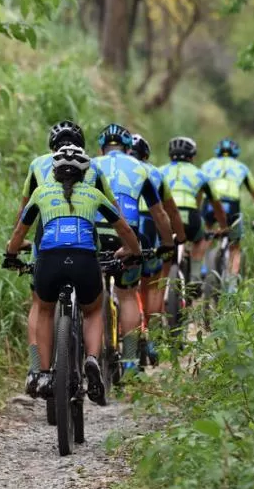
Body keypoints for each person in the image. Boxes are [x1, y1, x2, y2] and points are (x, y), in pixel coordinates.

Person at [4, 145, 141, 404]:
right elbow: (124, 228)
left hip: (48, 262)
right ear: (84, 173)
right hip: (85, 262)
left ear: (54, 172)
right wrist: (133, 252)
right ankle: (91, 359)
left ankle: (43, 374)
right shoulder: (94, 194)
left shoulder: (40, 193)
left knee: (44, 309)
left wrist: (11, 255)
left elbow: (19, 233)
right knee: (91, 311)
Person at [16, 121, 117, 397]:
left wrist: (17, 246)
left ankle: (37, 370)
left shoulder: (38, 164)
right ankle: (91, 358)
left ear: (51, 146)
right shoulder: (92, 167)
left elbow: (24, 211)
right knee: (92, 305)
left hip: (45, 244)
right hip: (84, 243)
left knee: (40, 305)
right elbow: (112, 210)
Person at [93, 124, 173, 376]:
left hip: (94, 233)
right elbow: (158, 213)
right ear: (129, 149)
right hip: (128, 235)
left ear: (102, 147)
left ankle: (91, 358)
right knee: (127, 295)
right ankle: (128, 361)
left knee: (92, 301)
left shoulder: (91, 164)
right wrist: (168, 244)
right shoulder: (142, 168)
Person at [130, 134, 186, 360]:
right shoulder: (155, 172)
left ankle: (132, 335)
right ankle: (151, 340)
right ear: (146, 155)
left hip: (127, 224)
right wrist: (178, 237)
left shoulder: (117, 168)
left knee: (128, 288)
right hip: (152, 226)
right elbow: (170, 211)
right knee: (153, 285)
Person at [196, 138, 254, 290]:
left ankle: (200, 270)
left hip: (210, 202)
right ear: (236, 153)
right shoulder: (242, 167)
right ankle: (231, 288)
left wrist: (197, 212)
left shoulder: (207, 165)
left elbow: (198, 188)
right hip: (231, 204)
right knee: (234, 246)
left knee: (208, 232)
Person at [159, 136, 229, 284]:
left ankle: (160, 279)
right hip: (190, 215)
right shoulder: (201, 175)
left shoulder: (159, 171)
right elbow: (216, 205)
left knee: (161, 243)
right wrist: (224, 227)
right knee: (200, 239)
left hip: (165, 215)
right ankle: (195, 276)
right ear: (192, 156)